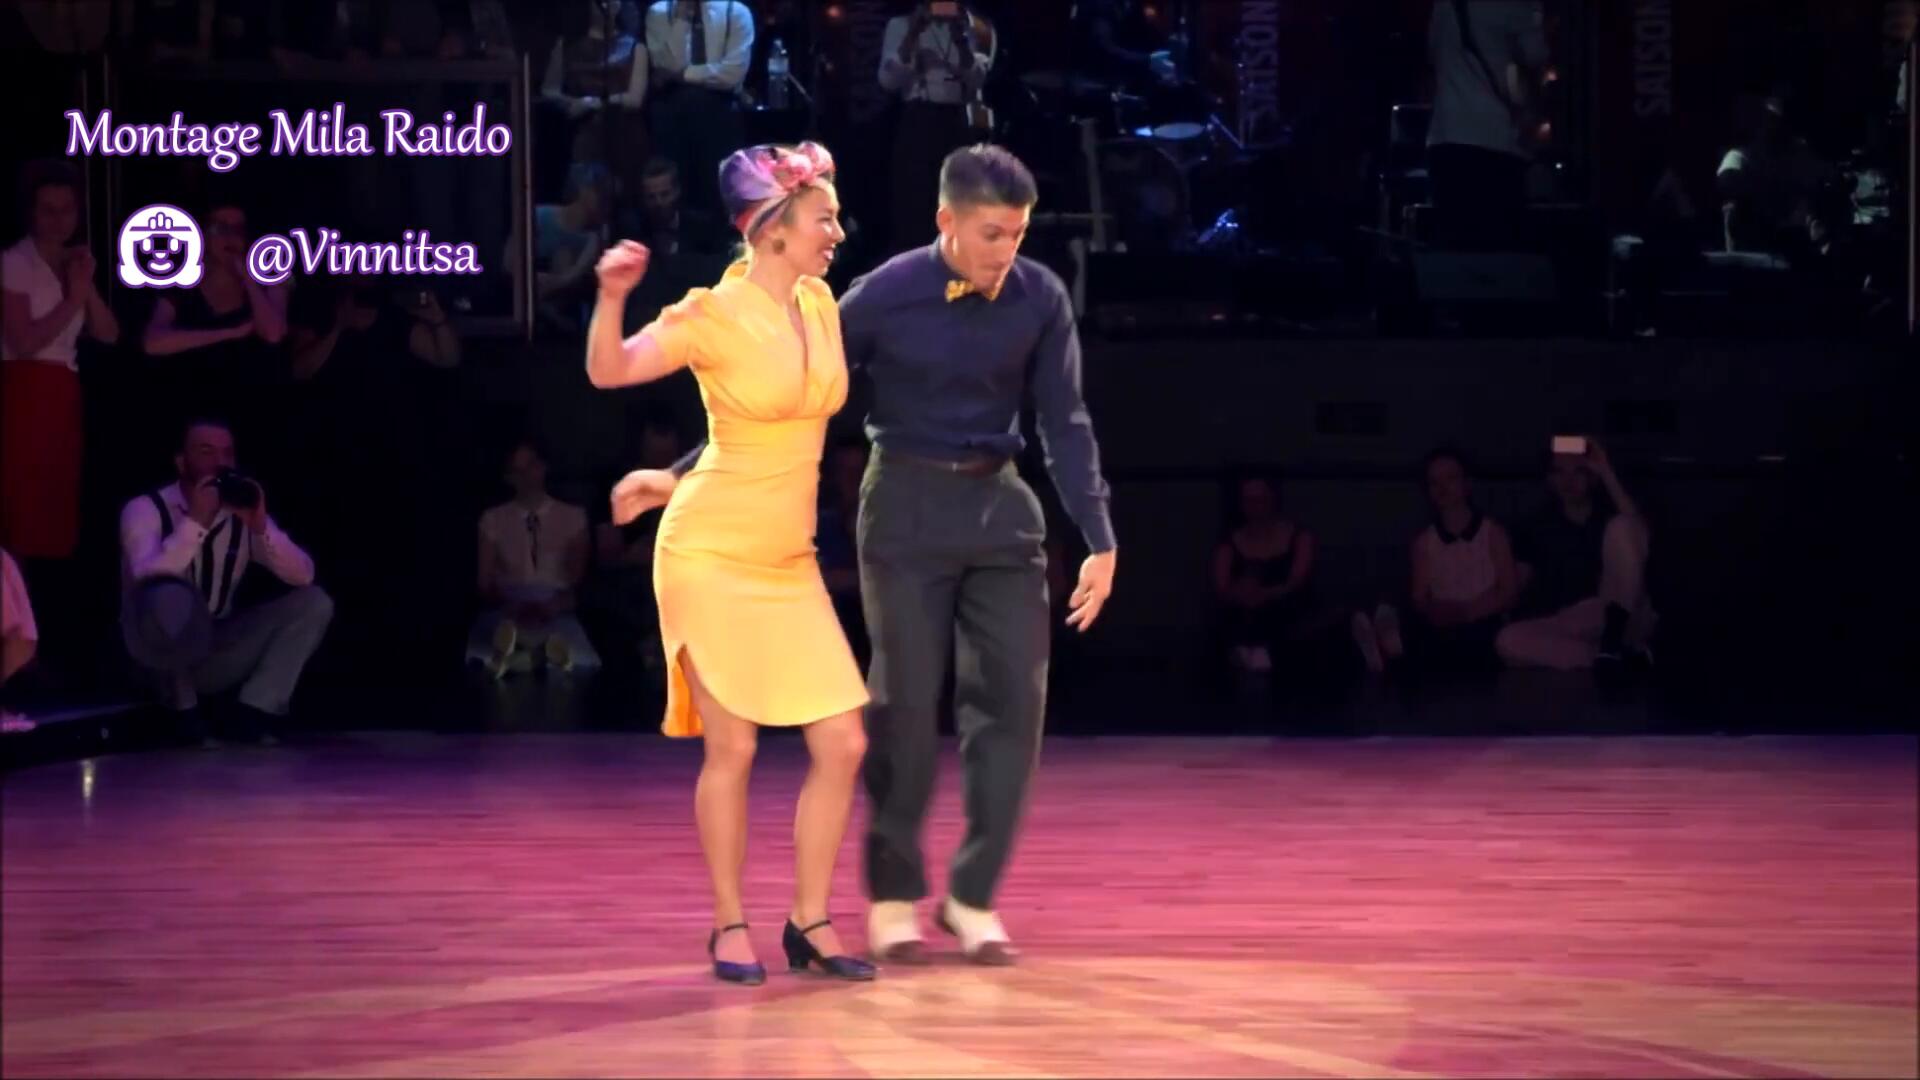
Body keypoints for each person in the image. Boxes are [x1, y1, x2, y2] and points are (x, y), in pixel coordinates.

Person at [618, 144, 1119, 966]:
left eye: (1018, 235)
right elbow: (785, 395)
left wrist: (1099, 535)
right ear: (947, 221)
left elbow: (1065, 422)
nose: (1006, 252)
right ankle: (890, 894)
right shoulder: (881, 293)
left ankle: (972, 898)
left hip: (999, 503)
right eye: (991, 234)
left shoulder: (1041, 296)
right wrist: (679, 475)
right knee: (901, 705)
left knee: (1013, 706)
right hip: (905, 501)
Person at [586, 141, 875, 987]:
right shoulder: (711, 314)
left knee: (843, 741)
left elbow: (763, 428)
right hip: (710, 554)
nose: (837, 233)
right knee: (736, 747)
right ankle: (728, 923)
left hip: (789, 560)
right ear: (774, 228)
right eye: (824, 219)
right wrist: (611, 296)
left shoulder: (818, 303)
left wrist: (665, 476)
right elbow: (610, 370)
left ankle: (810, 920)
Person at [118, 419, 333, 745]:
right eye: (207, 452)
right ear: (182, 462)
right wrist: (195, 523)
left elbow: (303, 574)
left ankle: (253, 712)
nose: (220, 463)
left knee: (314, 602)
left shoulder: (237, 513)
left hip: (212, 647)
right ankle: (183, 715)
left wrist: (261, 527)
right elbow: (147, 581)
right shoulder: (145, 509)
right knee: (165, 599)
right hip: (151, 656)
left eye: (227, 453)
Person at [2, 160, 120, 565]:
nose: (58, 220)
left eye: (66, 209)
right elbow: (23, 343)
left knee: (54, 498)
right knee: (21, 498)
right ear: (31, 212)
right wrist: (74, 297)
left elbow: (109, 333)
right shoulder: (15, 262)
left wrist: (84, 286)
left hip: (62, 391)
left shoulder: (74, 263)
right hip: (23, 390)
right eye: (48, 210)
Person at [1496, 438, 1655, 680]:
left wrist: (1606, 471)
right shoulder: (1535, 525)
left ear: (1592, 476)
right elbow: (1518, 584)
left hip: (1618, 611)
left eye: (1577, 472)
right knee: (1508, 640)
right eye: (1559, 472)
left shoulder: (1611, 515)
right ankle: (1616, 657)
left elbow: (1640, 537)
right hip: (1572, 620)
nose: (1568, 481)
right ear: (1550, 478)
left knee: (1623, 526)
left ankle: (1615, 647)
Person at [471, 439, 600, 679]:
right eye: (517, 471)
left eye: (531, 466)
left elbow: (578, 579)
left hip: (555, 606)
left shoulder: (573, 517)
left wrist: (553, 605)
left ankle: (536, 654)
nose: (526, 477)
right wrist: (510, 605)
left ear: (543, 467)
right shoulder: (493, 519)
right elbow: (484, 582)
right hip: (507, 606)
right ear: (509, 477)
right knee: (496, 643)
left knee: (569, 654)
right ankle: (520, 653)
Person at [1425, 0, 1549, 249]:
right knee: (1498, 248)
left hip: (1446, 138)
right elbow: (1536, 56)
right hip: (1496, 140)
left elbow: (1433, 54)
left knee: (1454, 248)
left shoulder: (1444, 5)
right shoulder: (1515, 5)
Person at [879, 2, 996, 251]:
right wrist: (913, 35)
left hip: (955, 121)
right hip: (919, 119)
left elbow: (978, 80)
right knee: (915, 203)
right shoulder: (900, 26)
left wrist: (962, 43)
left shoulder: (972, 28)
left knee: (958, 199)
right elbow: (888, 80)